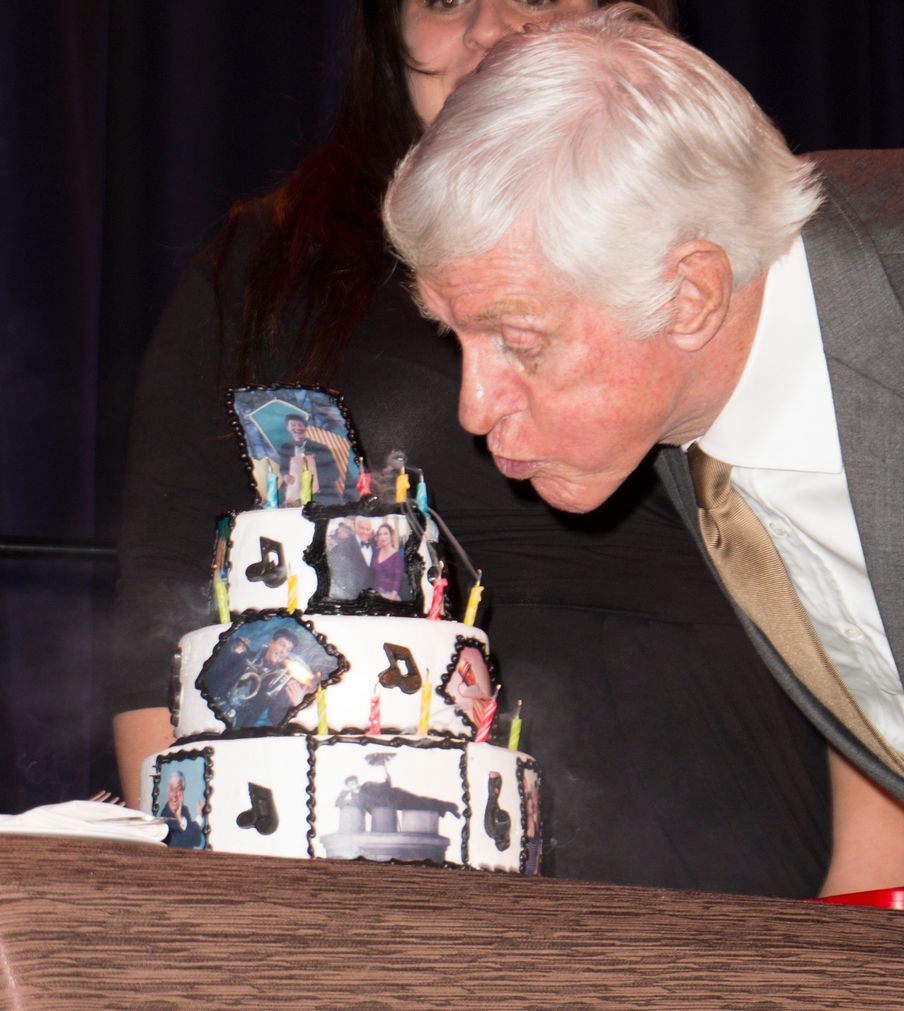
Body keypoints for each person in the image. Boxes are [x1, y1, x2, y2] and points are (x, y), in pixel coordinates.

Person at [111, 0, 832, 896]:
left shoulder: (708, 247)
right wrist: (192, 896)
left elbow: (835, 549)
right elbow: (160, 625)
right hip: (368, 866)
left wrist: (872, 866)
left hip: (736, 826)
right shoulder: (271, 267)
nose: (495, 24)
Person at [383, 5, 904, 917]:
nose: (475, 406)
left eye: (519, 341)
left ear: (691, 293)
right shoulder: (691, 379)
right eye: (459, 340)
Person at [278, 414, 341, 504]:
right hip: (292, 491)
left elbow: (334, 474)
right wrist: (285, 476)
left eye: (300, 425)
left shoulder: (320, 448)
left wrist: (313, 480)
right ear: (287, 428)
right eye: (292, 425)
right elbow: (283, 468)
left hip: (319, 493)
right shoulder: (285, 448)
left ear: (306, 427)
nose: (297, 428)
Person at [161, 770, 204, 849]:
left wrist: (199, 815)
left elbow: (197, 840)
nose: (175, 795)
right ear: (168, 791)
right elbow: (181, 844)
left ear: (182, 792)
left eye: (179, 790)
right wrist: (181, 820)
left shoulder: (184, 810)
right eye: (172, 789)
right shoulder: (165, 817)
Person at [370, 522, 404, 600]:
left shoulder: (398, 555)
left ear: (391, 536)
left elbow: (398, 577)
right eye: (380, 534)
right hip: (375, 594)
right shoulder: (376, 552)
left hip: (390, 595)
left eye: (385, 533)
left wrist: (393, 595)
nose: (382, 537)